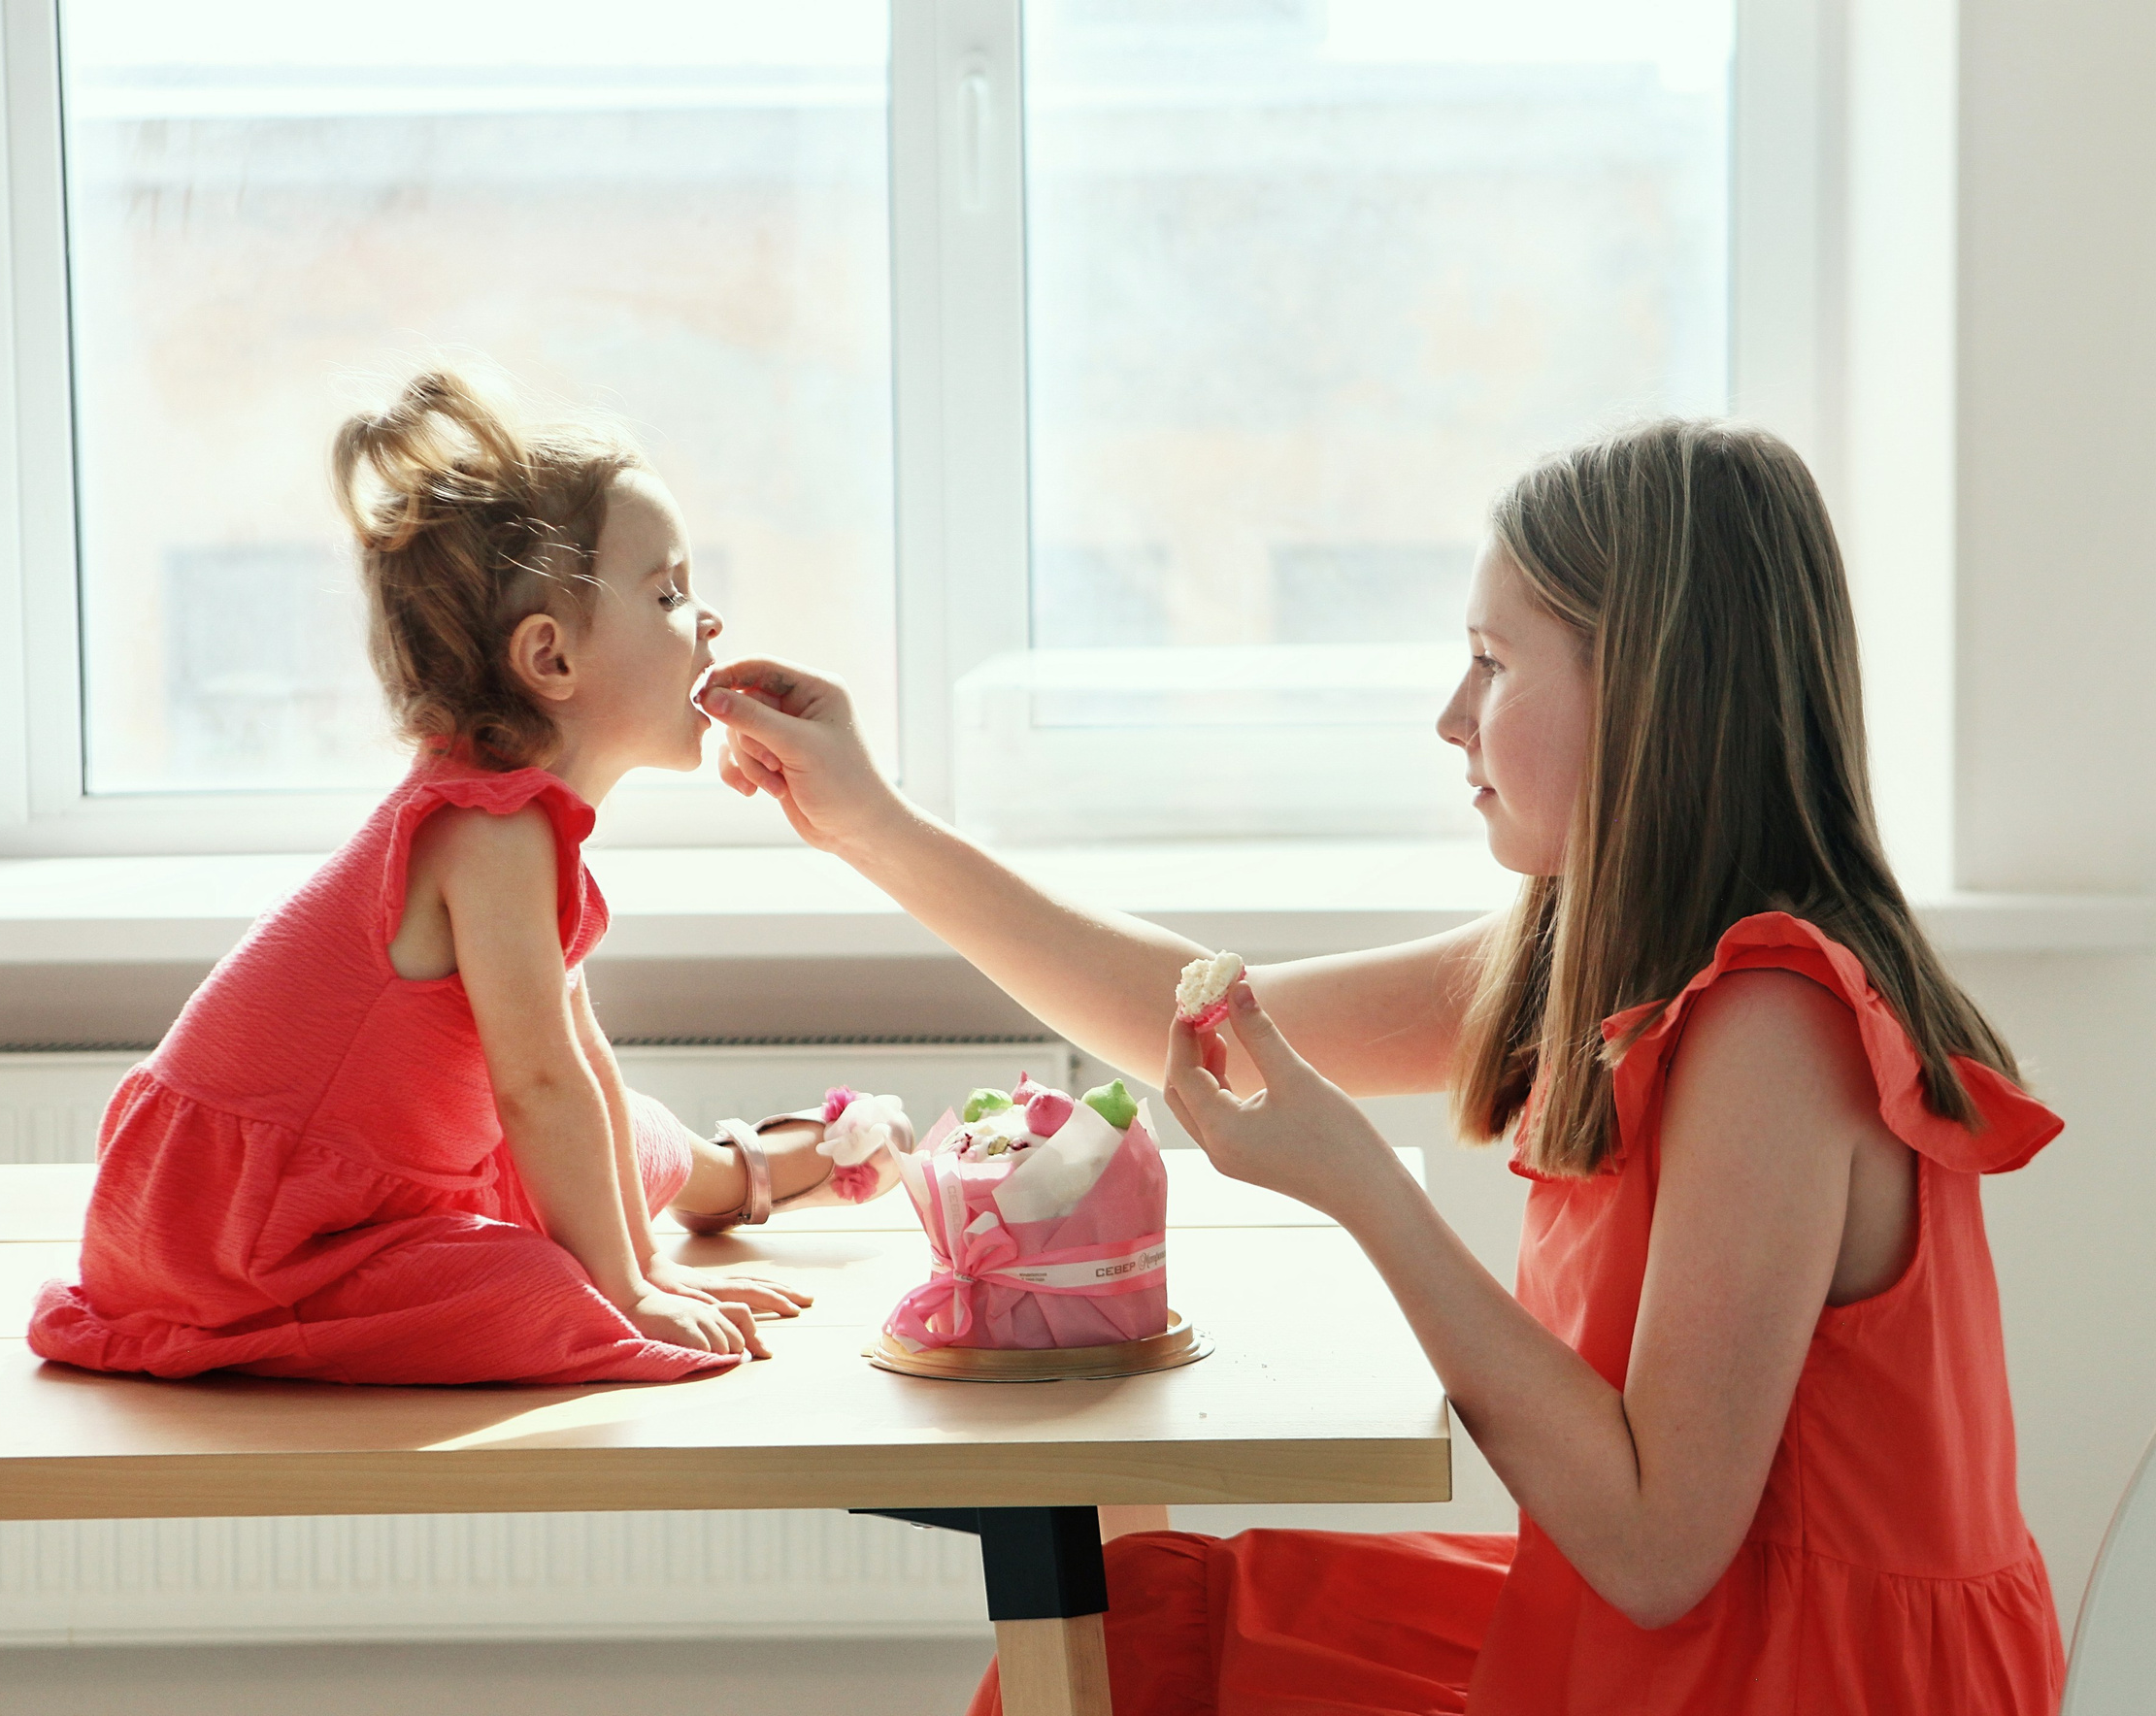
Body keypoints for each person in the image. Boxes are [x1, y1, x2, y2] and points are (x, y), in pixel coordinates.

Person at [700, 419, 2066, 1712]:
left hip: (1799, 1678)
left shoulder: (1777, 1028)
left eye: (1493, 660)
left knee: (1139, 1653)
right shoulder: (1596, 950)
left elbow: (1657, 1550)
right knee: (1143, 1621)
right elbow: (1196, 1023)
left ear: (1651, 687)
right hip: (1698, 1637)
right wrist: (868, 826)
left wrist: (1363, 1186)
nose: (1451, 716)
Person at [30, 371, 900, 1389]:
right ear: (550, 658)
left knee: (623, 1130)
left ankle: (732, 1178)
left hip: (350, 1187)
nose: (706, 621)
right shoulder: (489, 835)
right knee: (540, 1291)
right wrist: (621, 1293)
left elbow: (577, 1068)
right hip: (242, 1241)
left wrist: (644, 1266)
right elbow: (536, 1088)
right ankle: (729, 1187)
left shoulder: (514, 819)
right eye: (667, 593)